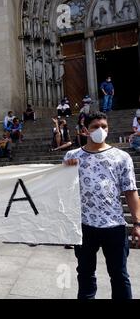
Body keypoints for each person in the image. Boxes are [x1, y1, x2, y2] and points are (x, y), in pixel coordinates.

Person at [64, 112, 140, 299]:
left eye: (104, 127)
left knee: (120, 276)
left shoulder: (122, 157)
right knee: (85, 275)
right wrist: (67, 169)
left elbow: (131, 191)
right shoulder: (72, 156)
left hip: (114, 225)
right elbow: (62, 190)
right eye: (95, 127)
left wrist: (137, 223)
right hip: (84, 226)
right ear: (85, 131)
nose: (100, 130)